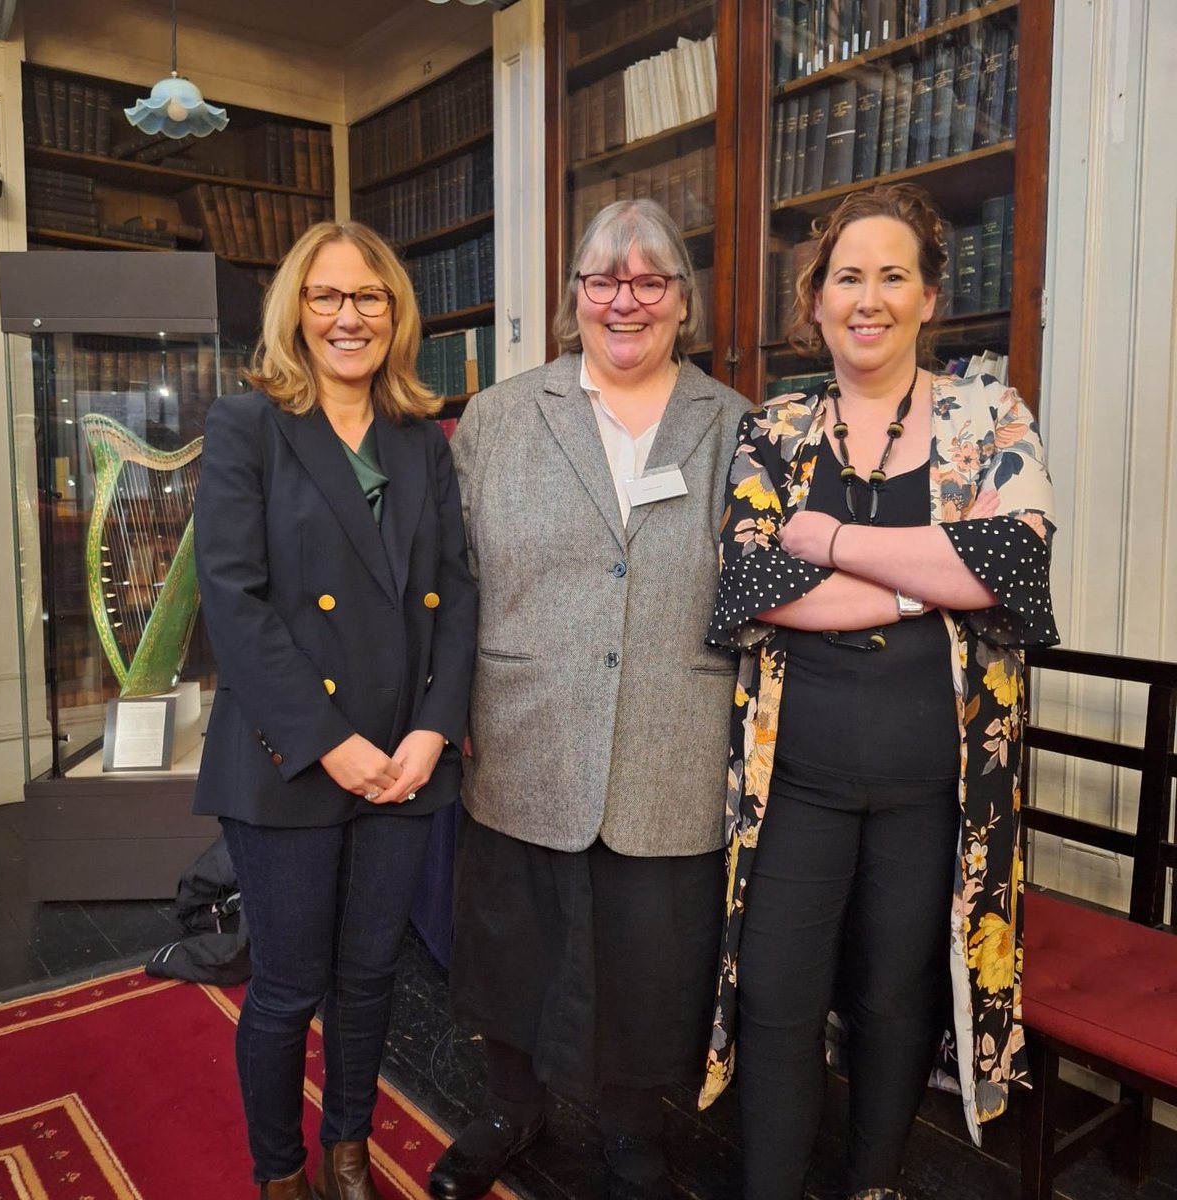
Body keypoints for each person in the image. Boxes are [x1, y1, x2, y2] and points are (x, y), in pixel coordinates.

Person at [697, 183, 1059, 1200]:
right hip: (796, 775)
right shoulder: (775, 426)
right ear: (815, 301)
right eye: (846, 277)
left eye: (893, 275)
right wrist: (928, 577)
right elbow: (750, 584)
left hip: (932, 784)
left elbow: (1012, 571)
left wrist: (837, 544)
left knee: (895, 999)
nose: (870, 298)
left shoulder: (990, 415)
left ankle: (872, 1183)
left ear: (930, 297)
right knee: (775, 992)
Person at [426, 198, 749, 1200]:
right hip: (523, 738)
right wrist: (449, 716)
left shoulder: (739, 426)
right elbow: (454, 578)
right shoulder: (498, 417)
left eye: (650, 279)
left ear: (682, 304)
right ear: (573, 299)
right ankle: (507, 1108)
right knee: (512, 950)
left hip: (672, 740)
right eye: (603, 279)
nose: (625, 299)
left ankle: (626, 1127)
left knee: (650, 962)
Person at [192, 221, 477, 1200]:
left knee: (371, 981)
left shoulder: (419, 437)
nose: (349, 316)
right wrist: (331, 743)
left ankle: (348, 1150)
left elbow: (454, 588)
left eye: (370, 298)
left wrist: (434, 730)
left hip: (406, 756)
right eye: (328, 297)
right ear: (296, 311)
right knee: (285, 989)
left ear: (395, 315)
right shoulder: (247, 426)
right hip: (290, 758)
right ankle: (281, 1172)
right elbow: (233, 600)